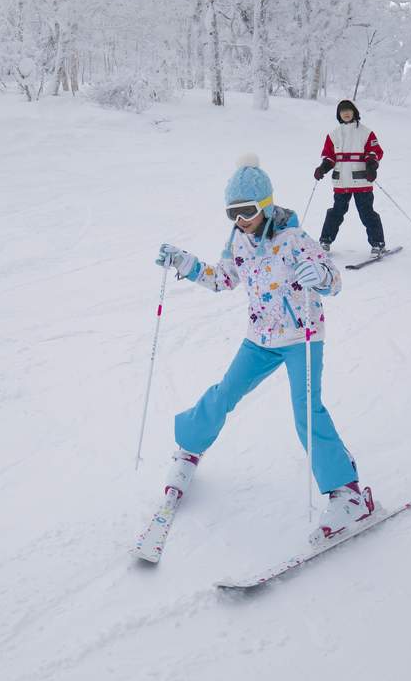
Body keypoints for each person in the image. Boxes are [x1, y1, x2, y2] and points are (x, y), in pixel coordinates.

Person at [153, 156, 374, 545]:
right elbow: (222, 278)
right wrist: (185, 263)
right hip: (260, 337)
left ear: (267, 205)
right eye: (232, 212)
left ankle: (349, 495)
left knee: (307, 410)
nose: (241, 220)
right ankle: (189, 448)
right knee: (224, 393)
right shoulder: (238, 240)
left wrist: (319, 277)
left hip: (301, 334)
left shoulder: (294, 239)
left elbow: (334, 281)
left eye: (248, 211)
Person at [313, 99, 386, 256]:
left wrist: (372, 166)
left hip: (362, 180)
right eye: (342, 111)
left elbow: (374, 152)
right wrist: (323, 168)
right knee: (336, 212)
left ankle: (378, 244)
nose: (346, 113)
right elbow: (330, 157)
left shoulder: (366, 133)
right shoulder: (333, 135)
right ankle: (325, 241)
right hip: (342, 181)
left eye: (348, 110)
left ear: (354, 112)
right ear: (339, 115)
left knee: (367, 213)